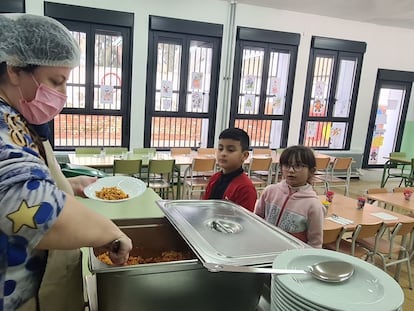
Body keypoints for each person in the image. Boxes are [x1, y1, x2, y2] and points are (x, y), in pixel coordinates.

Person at [0, 14, 132, 311]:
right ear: (14, 70)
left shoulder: (16, 117)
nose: (61, 95)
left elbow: (21, 177)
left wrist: (67, 185)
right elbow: (37, 210)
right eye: (55, 81)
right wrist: (111, 232)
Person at [254, 145, 325, 248]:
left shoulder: (313, 205)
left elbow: (315, 243)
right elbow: (256, 220)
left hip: (291, 257)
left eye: (298, 166)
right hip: (264, 248)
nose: (291, 170)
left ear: (311, 171)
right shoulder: (270, 191)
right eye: (287, 165)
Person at [202, 128, 257, 211]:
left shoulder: (245, 188)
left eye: (230, 150)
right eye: (220, 149)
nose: (223, 153)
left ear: (244, 155)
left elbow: (244, 220)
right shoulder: (214, 178)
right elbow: (204, 207)